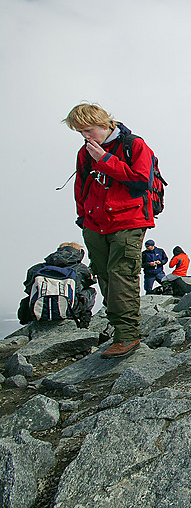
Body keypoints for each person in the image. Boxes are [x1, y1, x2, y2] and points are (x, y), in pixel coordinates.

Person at [64, 103, 158, 358]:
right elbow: (81, 187)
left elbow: (141, 180)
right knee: (104, 276)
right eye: (80, 132)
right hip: (94, 224)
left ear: (104, 124)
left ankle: (127, 336)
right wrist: (83, 218)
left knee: (122, 275)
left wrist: (104, 161)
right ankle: (120, 330)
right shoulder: (85, 153)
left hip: (128, 221)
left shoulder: (134, 145)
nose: (85, 137)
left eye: (88, 130)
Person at [18, 242, 96, 328]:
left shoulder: (37, 268)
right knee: (91, 291)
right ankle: (79, 318)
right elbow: (90, 281)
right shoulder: (80, 268)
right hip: (70, 310)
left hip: (39, 308)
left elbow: (28, 288)